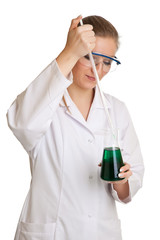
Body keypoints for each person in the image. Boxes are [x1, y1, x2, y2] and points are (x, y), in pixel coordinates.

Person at [7, 15, 144, 240]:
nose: (98, 70)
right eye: (89, 57)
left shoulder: (116, 110)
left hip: (101, 232)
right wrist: (69, 51)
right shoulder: (45, 103)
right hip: (51, 233)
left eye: (107, 62)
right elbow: (20, 122)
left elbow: (133, 177)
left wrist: (122, 180)